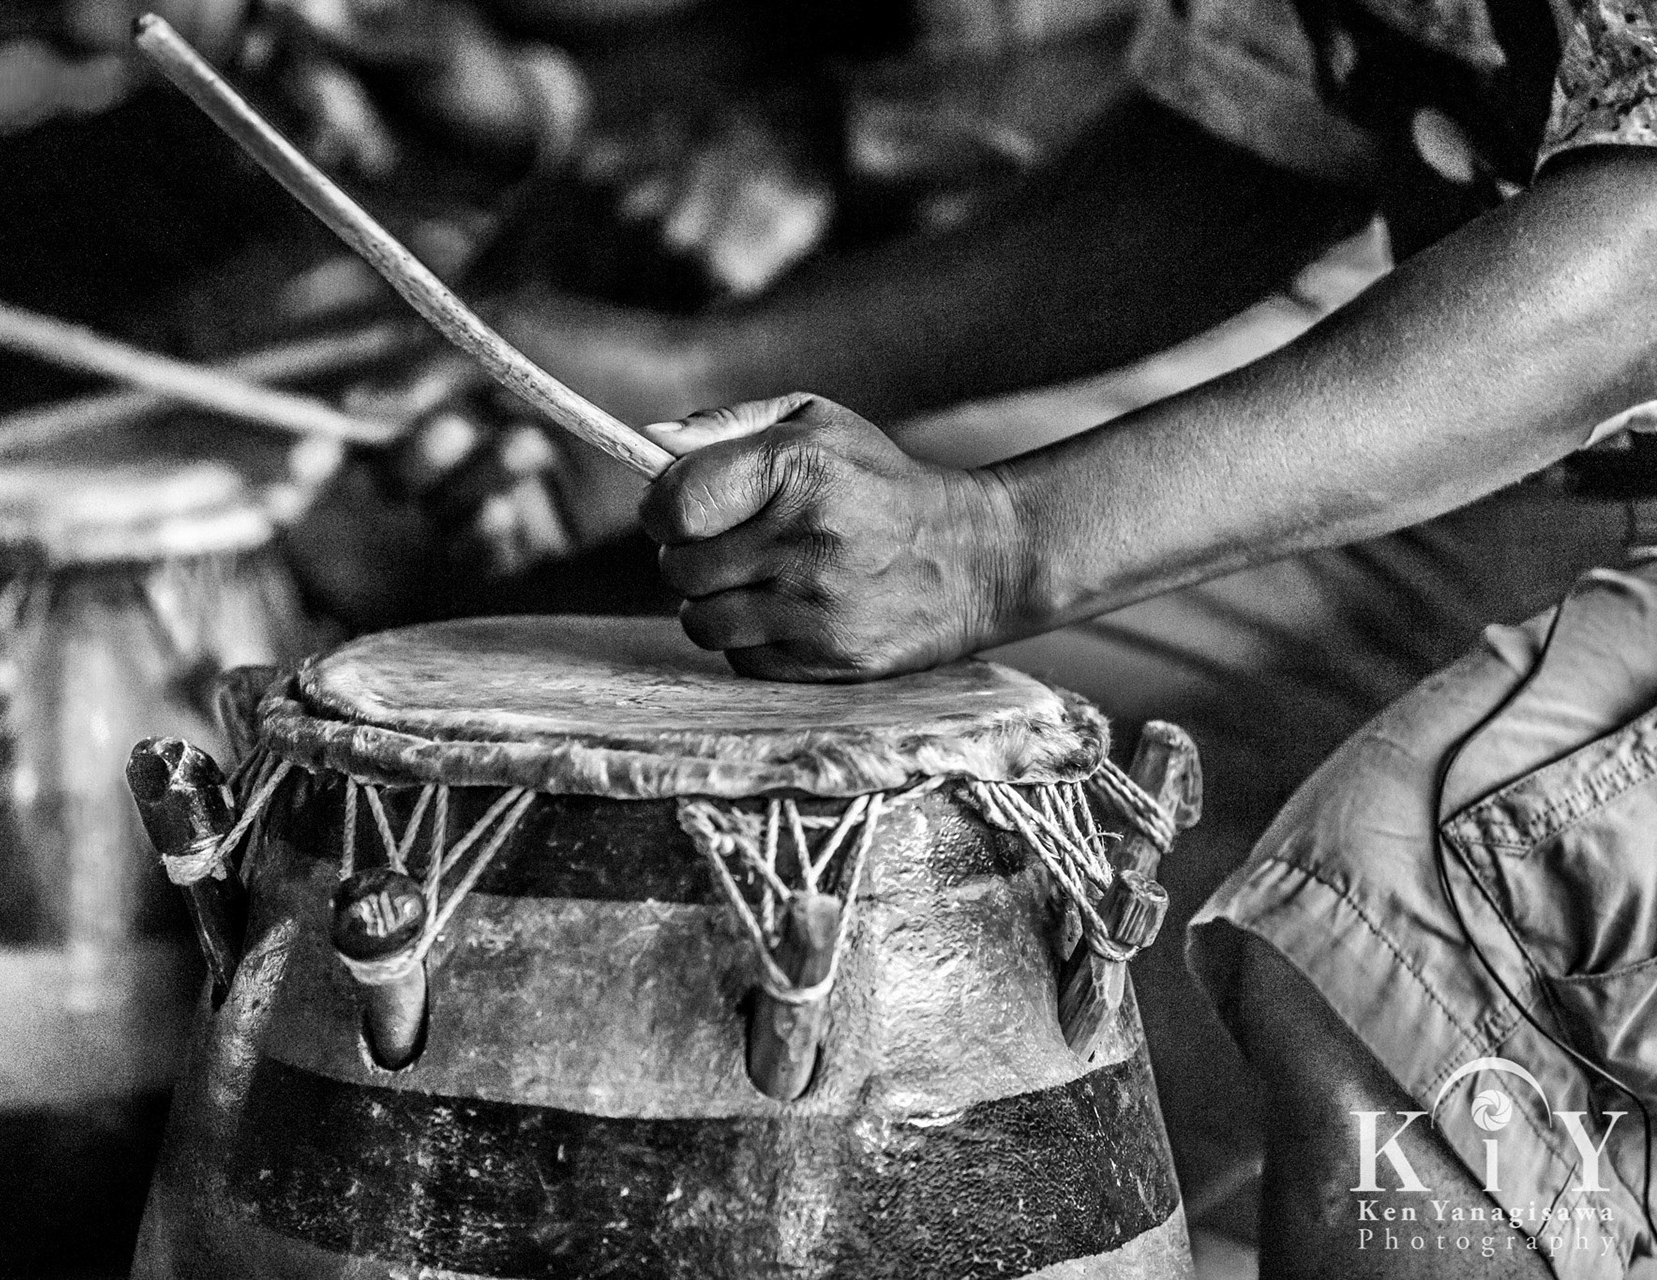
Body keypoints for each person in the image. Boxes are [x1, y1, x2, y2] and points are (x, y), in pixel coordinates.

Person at [517, 0, 1657, 1273]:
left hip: (1584, 434)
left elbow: (1636, 263)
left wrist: (992, 545)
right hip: (1533, 476)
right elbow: (1258, 126)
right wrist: (697, 372)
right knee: (967, 859)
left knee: (1382, 953)